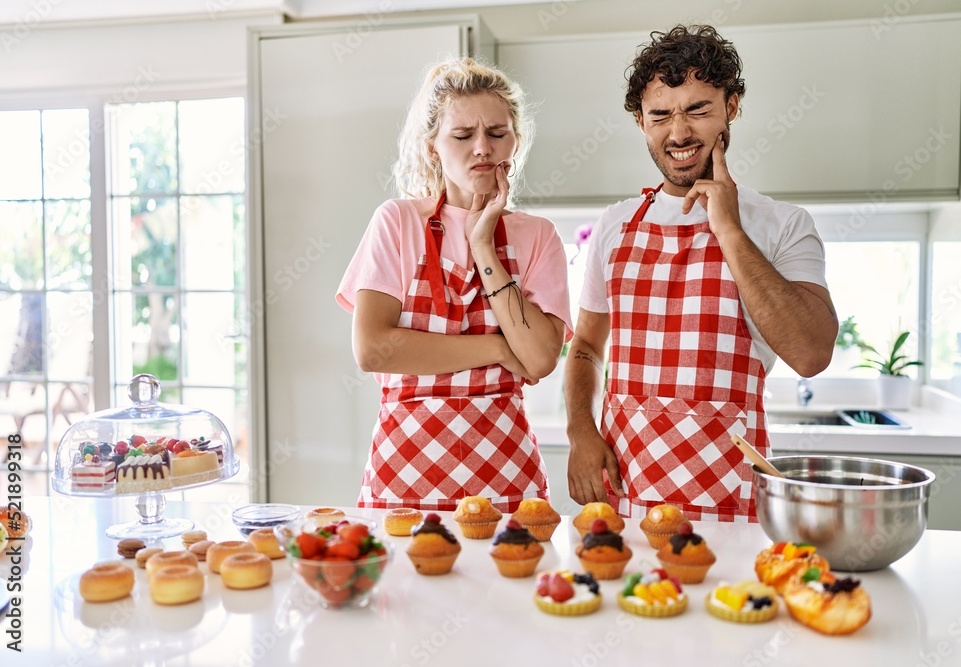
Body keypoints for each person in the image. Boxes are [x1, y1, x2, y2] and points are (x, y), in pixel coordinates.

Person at [564, 25, 838, 522]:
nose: (680, 133)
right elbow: (585, 344)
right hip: (626, 493)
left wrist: (729, 229)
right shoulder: (615, 224)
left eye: (698, 109)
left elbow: (811, 353)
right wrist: (581, 429)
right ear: (639, 122)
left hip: (728, 500)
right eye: (661, 115)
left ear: (731, 106)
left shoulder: (782, 224)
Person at [337, 58, 573, 513]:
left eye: (497, 133)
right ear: (433, 148)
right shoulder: (398, 222)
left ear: (516, 143)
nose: (482, 148)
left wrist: (483, 244)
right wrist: (500, 349)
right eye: (463, 136)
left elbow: (541, 358)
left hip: (504, 471)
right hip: (406, 474)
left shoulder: (538, 235)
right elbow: (374, 349)